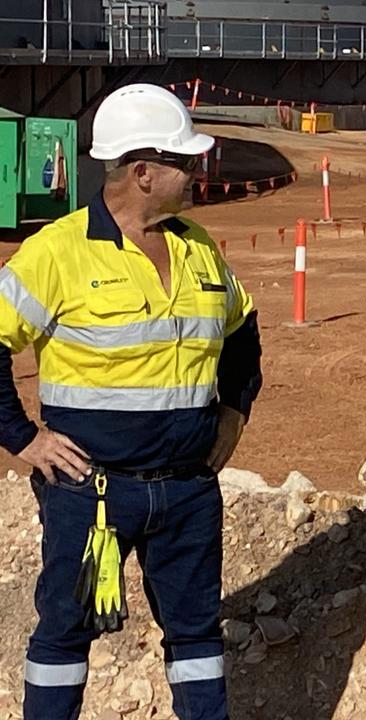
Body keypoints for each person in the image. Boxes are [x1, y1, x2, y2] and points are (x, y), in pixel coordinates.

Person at [0, 83, 262, 719]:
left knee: (198, 638)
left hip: (187, 489)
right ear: (143, 172)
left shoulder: (197, 246)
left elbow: (241, 330)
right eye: (187, 161)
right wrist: (24, 439)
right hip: (90, 492)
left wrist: (233, 413)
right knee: (65, 633)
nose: (200, 171)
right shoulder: (56, 252)